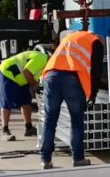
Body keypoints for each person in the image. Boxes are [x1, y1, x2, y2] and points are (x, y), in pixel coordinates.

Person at [40, 31, 103, 169]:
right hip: (71, 80)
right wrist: (93, 94)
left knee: (50, 120)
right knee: (76, 121)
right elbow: (97, 70)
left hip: (50, 76)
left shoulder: (72, 37)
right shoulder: (96, 43)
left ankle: (45, 160)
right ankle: (78, 159)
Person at [0, 48, 48, 141]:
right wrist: (33, 85)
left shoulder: (46, 65)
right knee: (6, 102)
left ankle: (28, 128)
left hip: (21, 78)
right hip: (8, 73)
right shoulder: (42, 59)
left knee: (25, 100)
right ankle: (4, 131)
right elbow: (26, 72)